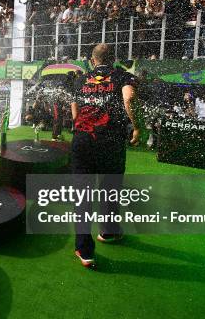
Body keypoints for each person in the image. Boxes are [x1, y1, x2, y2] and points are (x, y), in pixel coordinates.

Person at [69, 44, 140, 268]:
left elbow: (74, 109)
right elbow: (129, 99)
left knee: (82, 195)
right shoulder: (123, 75)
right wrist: (137, 127)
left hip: (83, 141)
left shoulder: (81, 79)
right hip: (110, 142)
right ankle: (108, 231)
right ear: (114, 59)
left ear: (92, 60)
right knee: (110, 188)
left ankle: (84, 249)